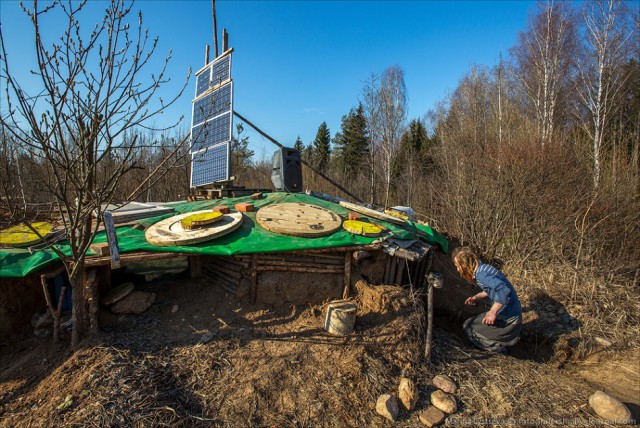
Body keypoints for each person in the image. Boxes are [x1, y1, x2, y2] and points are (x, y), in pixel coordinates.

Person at [452, 246, 522, 354]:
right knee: (470, 324)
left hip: (509, 319)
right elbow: (492, 287)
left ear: (465, 264)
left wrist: (492, 312)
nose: (457, 269)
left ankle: (498, 349)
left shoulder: (481, 275)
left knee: (468, 327)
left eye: (458, 266)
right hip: (513, 313)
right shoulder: (483, 268)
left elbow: (503, 289)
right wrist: (477, 296)